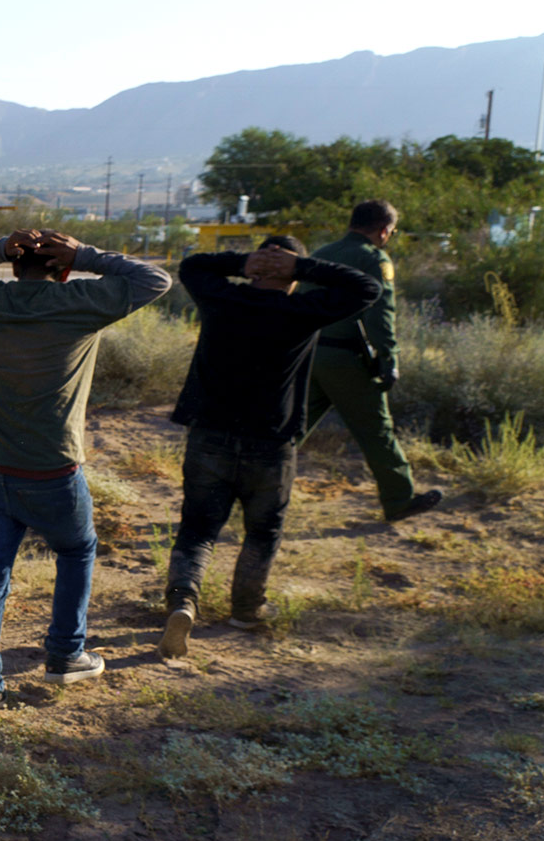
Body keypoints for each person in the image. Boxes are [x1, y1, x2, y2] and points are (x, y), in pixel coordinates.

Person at [0, 227, 172, 715]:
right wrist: (85, 254)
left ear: (13, 265)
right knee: (76, 550)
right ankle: (67, 654)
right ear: (64, 269)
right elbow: (155, 280)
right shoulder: (81, 301)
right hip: (52, 468)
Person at [159, 238, 380, 657]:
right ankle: (246, 610)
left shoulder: (222, 299)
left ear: (256, 268)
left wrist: (243, 262)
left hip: (210, 436)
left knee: (198, 529)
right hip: (272, 443)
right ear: (293, 273)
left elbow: (193, 265)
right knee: (263, 531)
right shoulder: (303, 311)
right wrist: (304, 268)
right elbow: (367, 288)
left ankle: (183, 601)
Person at [304, 199, 443, 523]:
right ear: (383, 231)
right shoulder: (373, 259)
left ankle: (250, 488)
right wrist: (388, 358)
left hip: (309, 352)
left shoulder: (321, 253)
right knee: (376, 430)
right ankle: (399, 499)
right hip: (347, 357)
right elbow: (380, 314)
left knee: (292, 426)